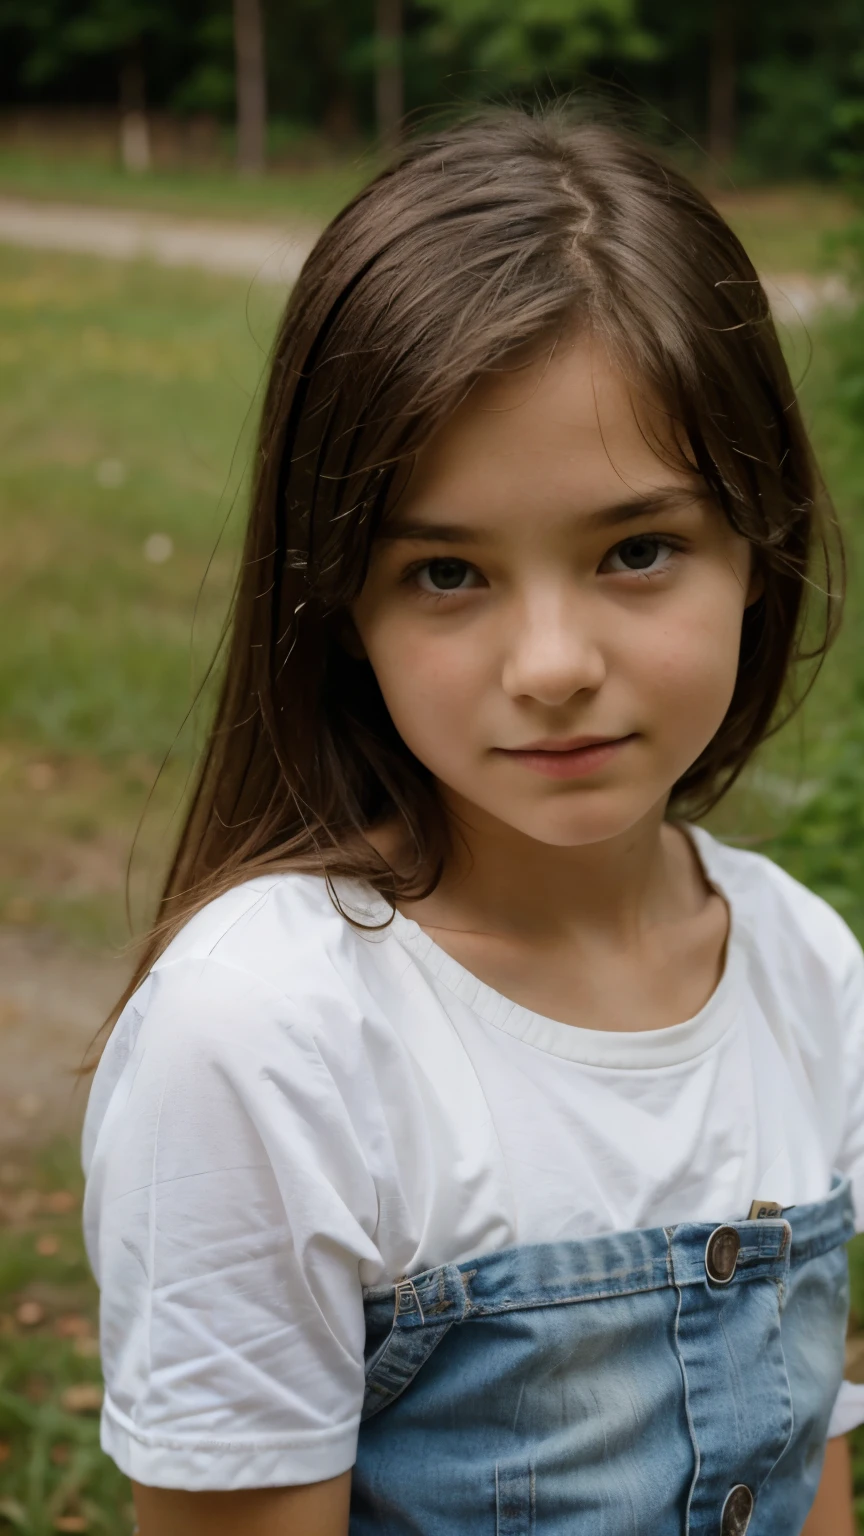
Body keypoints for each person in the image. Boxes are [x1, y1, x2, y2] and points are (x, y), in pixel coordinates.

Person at [82, 106, 864, 1535]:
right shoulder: (270, 1038)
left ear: (761, 546)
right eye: (448, 574)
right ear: (341, 610)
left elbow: (815, 1467)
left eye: (638, 549)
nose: (553, 663)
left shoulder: (808, 968)